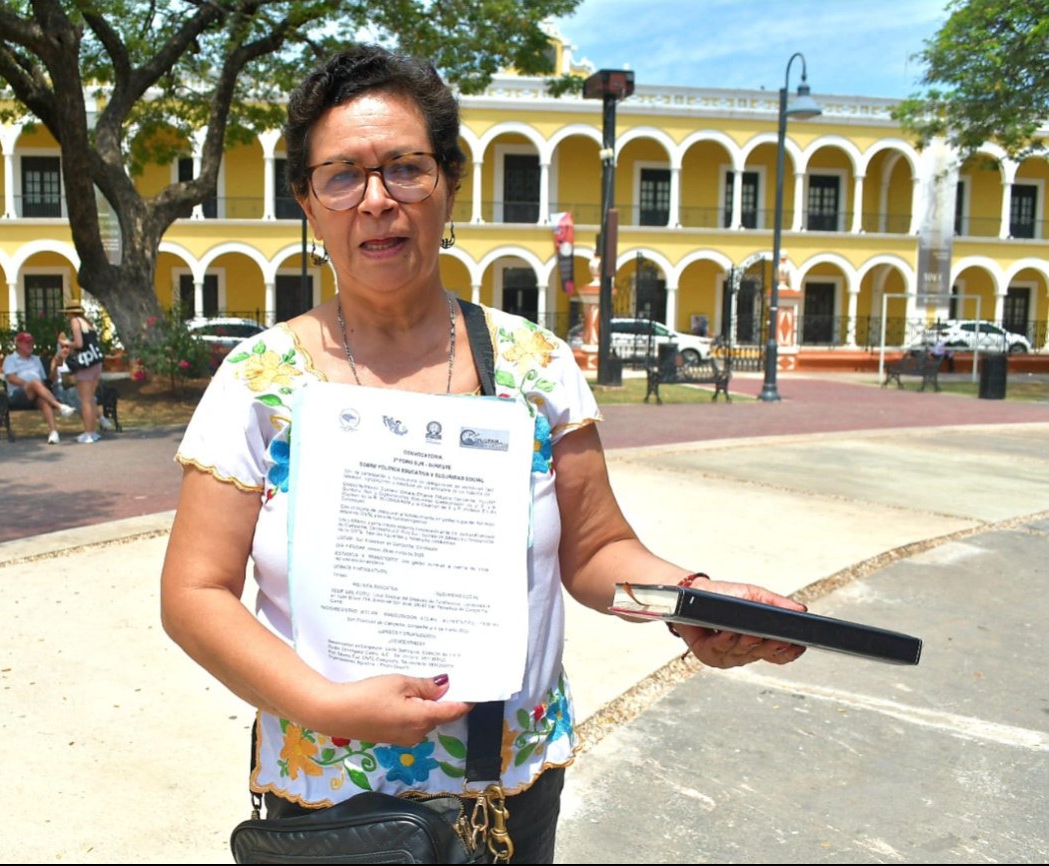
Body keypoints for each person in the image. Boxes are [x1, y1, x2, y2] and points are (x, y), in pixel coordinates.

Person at [160, 45, 806, 863]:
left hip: (506, 788)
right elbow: (194, 591)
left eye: (405, 169)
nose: (376, 201)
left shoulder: (534, 365)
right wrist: (324, 705)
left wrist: (693, 601)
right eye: (342, 176)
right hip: (329, 792)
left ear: (449, 184)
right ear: (308, 202)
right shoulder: (259, 379)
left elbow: (598, 550)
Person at [2, 331, 75, 444]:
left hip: (36, 393)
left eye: (31, 342)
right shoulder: (11, 359)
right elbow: (11, 378)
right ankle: (60, 406)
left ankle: (54, 432)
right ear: (19, 344)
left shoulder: (36, 359)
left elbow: (43, 380)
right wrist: (30, 385)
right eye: (27, 343)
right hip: (18, 395)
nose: (30, 345)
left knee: (43, 400)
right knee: (35, 383)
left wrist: (39, 389)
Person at [50, 340, 115, 431]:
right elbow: (52, 379)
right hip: (60, 388)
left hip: (76, 387)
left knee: (81, 395)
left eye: (67, 347)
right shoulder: (56, 360)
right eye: (62, 347)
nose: (65, 349)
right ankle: (100, 419)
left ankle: (91, 427)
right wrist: (55, 367)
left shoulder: (74, 360)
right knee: (80, 396)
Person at [63, 301, 104, 444]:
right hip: (96, 362)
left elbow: (79, 344)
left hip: (86, 364)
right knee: (90, 398)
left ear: (70, 312)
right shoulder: (88, 323)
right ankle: (93, 432)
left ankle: (88, 432)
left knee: (84, 399)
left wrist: (66, 343)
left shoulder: (75, 322)